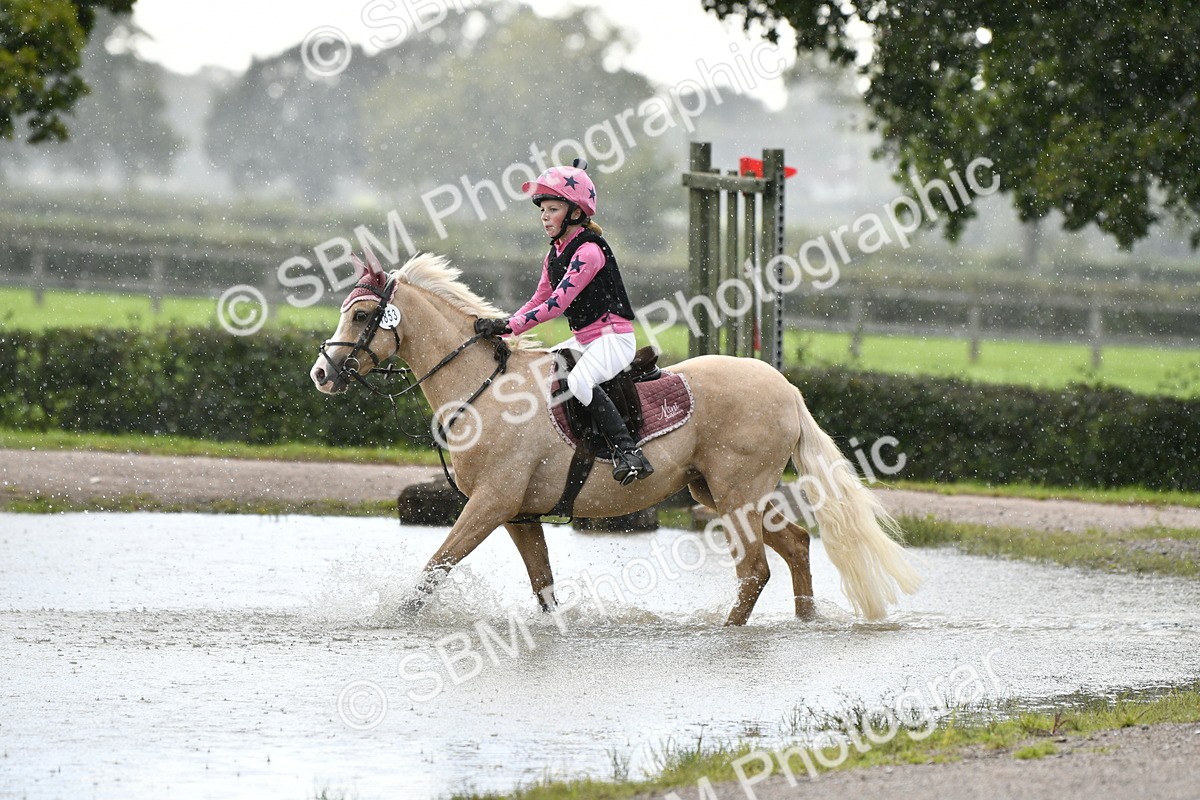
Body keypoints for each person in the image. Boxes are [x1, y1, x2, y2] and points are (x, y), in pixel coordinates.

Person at [474, 159, 654, 485]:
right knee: (539, 371)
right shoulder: (554, 253)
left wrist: (510, 327)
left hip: (614, 339)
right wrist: (505, 322)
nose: (544, 216)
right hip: (585, 340)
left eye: (552, 209)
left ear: (574, 212)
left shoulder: (588, 251)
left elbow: (556, 305)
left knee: (579, 383)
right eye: (542, 209)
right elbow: (538, 299)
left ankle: (629, 453)